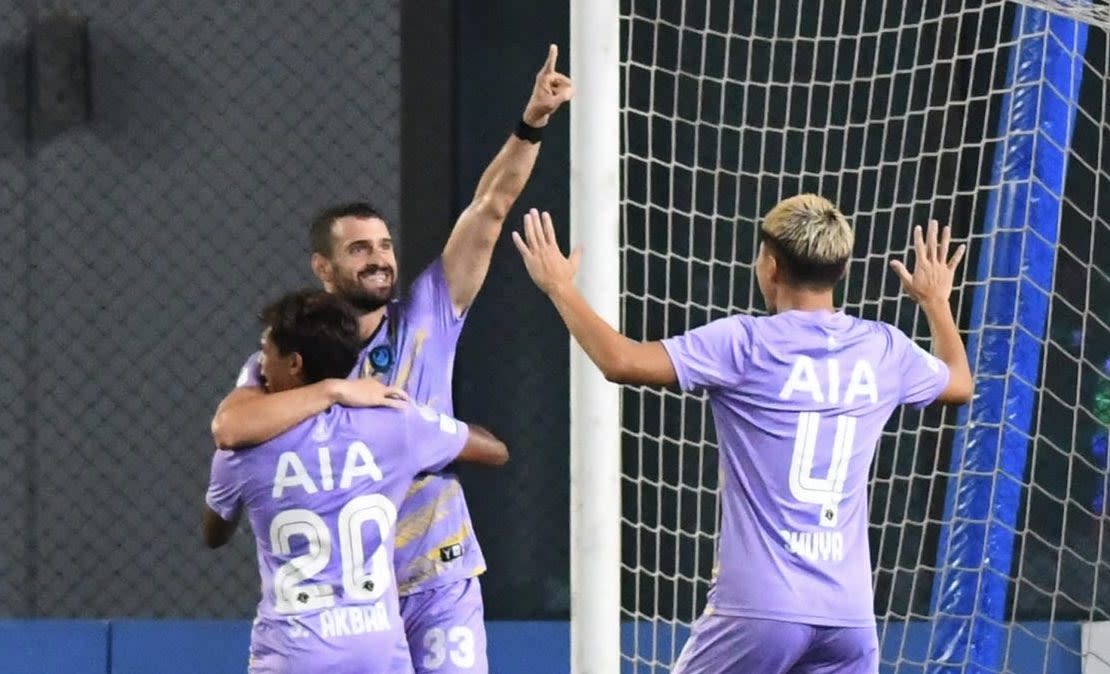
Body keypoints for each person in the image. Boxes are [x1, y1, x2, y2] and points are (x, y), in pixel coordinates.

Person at [210, 44, 573, 673]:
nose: (379, 257)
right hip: (341, 594)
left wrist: (532, 122)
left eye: (384, 244)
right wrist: (334, 393)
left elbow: (490, 209)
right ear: (323, 268)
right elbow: (230, 427)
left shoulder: (428, 312)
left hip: (436, 568)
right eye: (358, 250)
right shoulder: (290, 358)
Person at [512, 197, 974, 673]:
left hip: (759, 611)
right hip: (848, 618)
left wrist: (560, 288)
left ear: (770, 266)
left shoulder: (745, 343)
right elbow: (960, 383)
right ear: (842, 268)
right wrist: (936, 303)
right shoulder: (883, 348)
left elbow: (621, 360)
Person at [203, 289, 508, 674]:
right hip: (378, 650)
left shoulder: (244, 450)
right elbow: (494, 450)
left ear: (294, 364)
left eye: (266, 353)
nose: (261, 367)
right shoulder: (397, 425)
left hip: (293, 654)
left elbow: (214, 533)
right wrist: (425, 427)